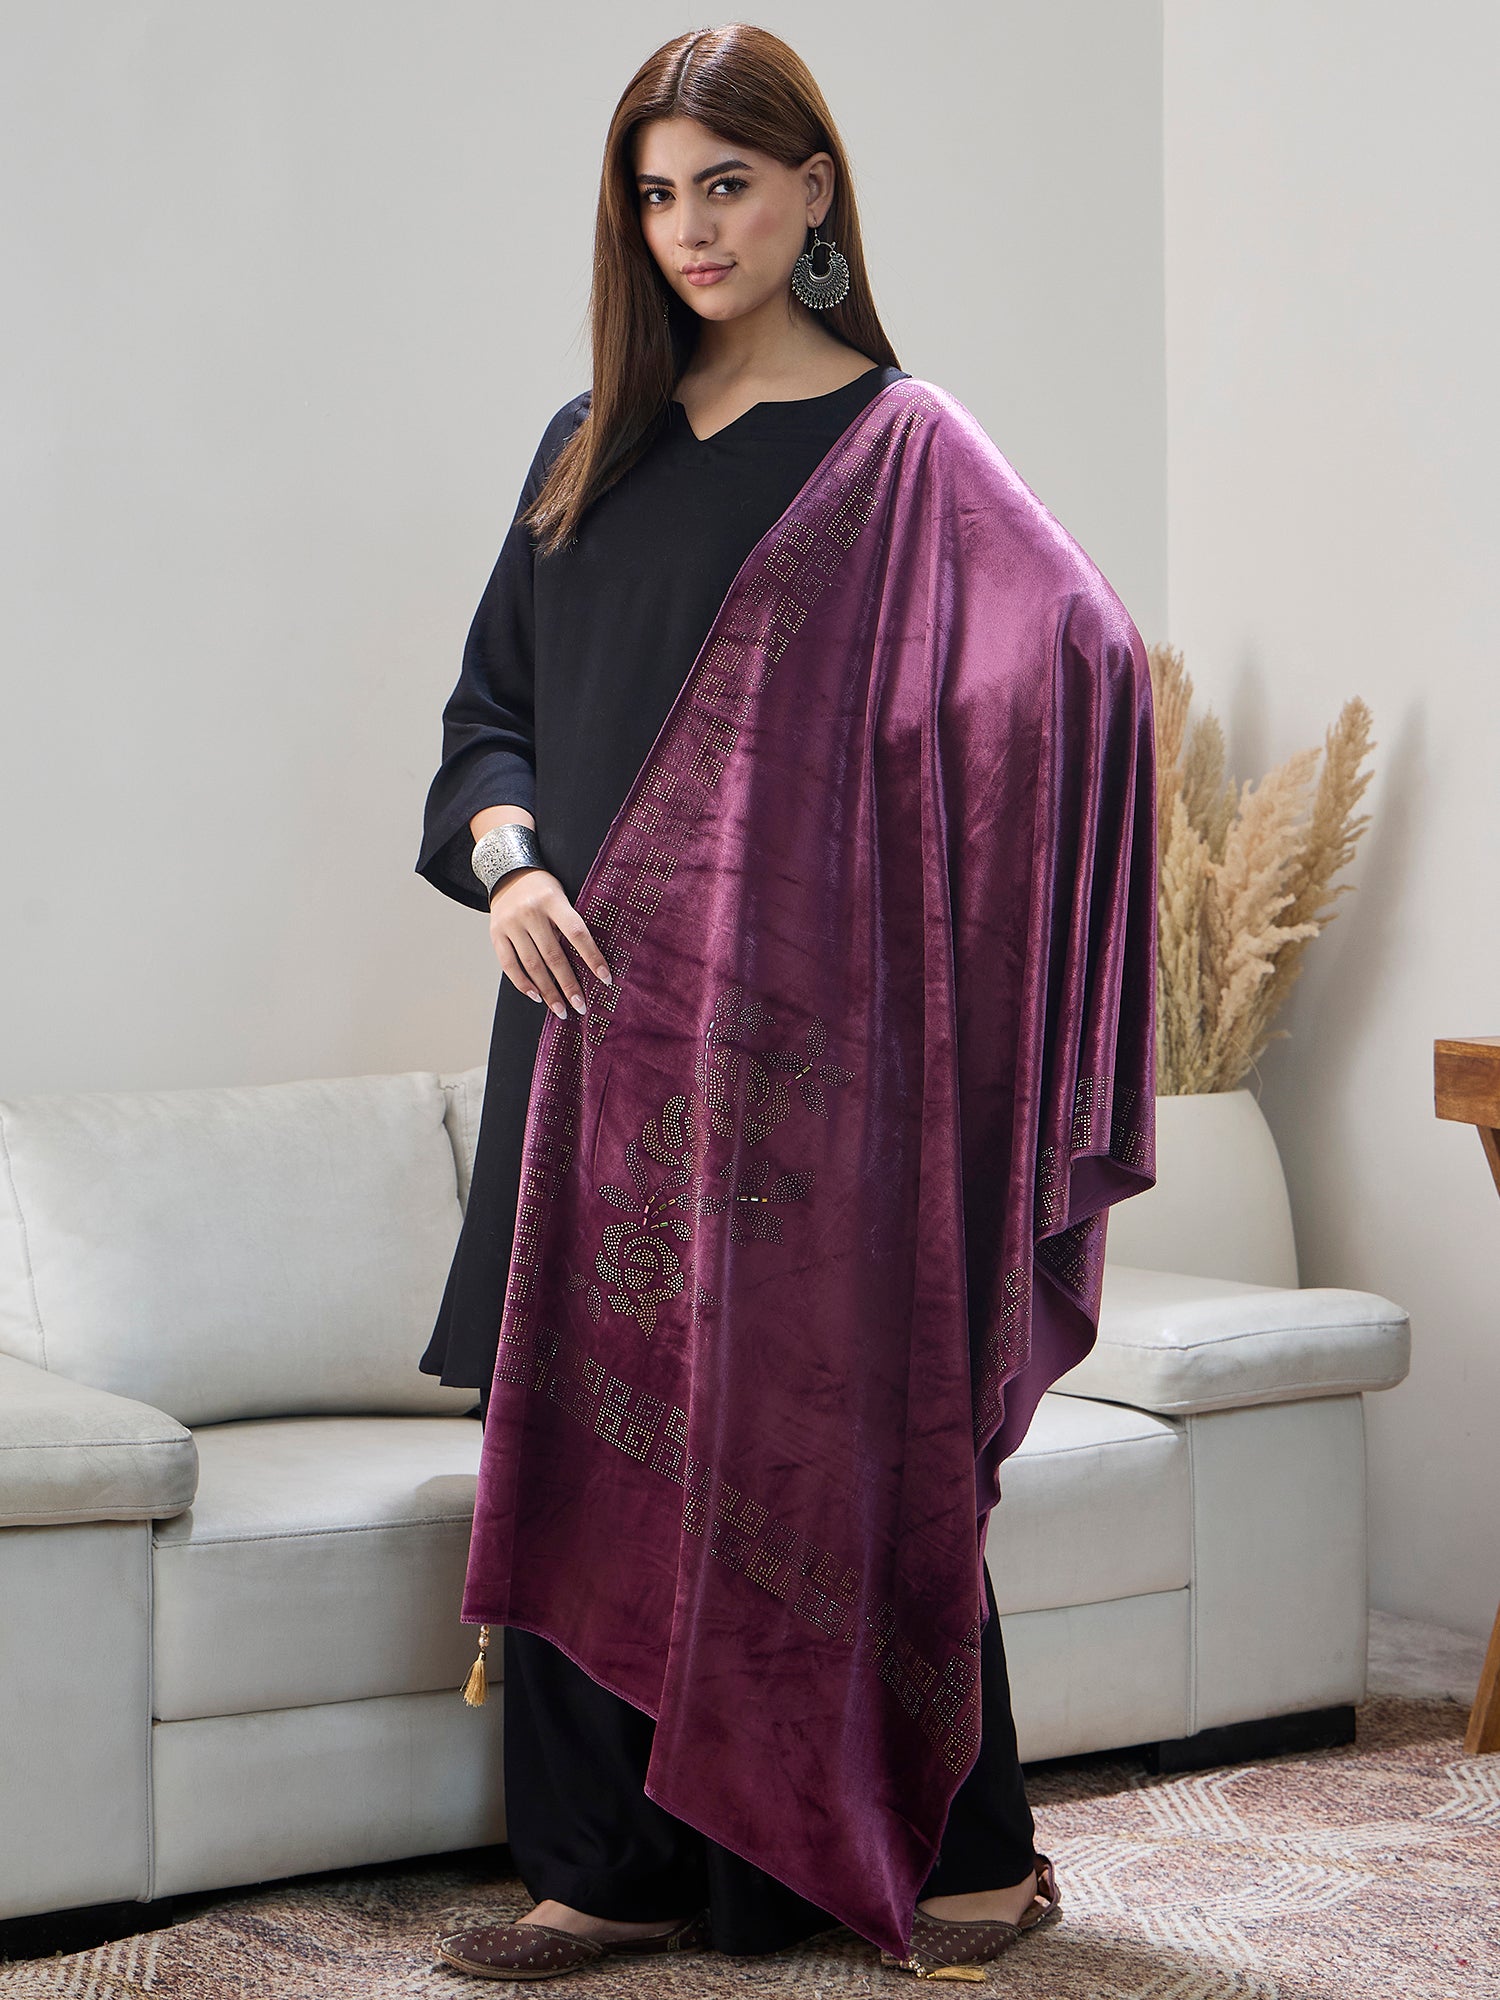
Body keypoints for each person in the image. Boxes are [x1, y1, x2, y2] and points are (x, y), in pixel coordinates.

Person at [416, 23, 1157, 1985]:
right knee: (574, 1428)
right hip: (585, 1036)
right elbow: (488, 720)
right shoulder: (585, 450)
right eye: (659, 195)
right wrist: (514, 859)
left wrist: (878, 872)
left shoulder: (903, 453)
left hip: (802, 1074)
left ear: (813, 190)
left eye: (728, 186)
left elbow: (1081, 660)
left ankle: (967, 1849)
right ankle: (605, 1872)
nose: (693, 229)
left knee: (842, 1443)